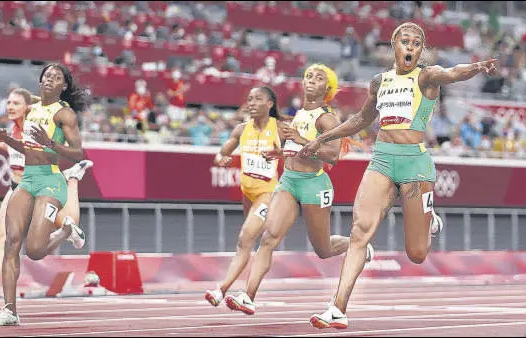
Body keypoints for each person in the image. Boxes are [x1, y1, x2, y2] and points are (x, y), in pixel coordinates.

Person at [300, 22, 498, 329]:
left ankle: (428, 217)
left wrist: (476, 67)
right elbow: (360, 120)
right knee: (359, 232)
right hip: (382, 160)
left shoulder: (426, 76)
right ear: (394, 45)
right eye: (405, 41)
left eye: (416, 43)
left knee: (417, 253)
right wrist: (322, 139)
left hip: (414, 166)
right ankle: (337, 307)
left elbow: (453, 72)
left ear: (420, 50)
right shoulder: (380, 82)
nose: (410, 46)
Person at [224, 64, 373, 315]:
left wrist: (301, 139)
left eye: (319, 78)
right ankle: (248, 296)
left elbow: (332, 156)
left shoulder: (327, 118)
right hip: (289, 181)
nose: (311, 80)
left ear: (328, 88)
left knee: (323, 250)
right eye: (308, 76)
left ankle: (357, 246)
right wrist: (281, 152)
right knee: (269, 237)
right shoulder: (300, 114)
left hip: (314, 185)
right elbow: (298, 150)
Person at [0, 63, 91, 326]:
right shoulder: (31, 111)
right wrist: (7, 140)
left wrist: (51, 143)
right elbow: (27, 148)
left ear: (63, 86)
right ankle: (10, 310)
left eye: (56, 78)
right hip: (28, 179)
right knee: (11, 241)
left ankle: (64, 231)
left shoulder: (64, 114)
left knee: (33, 250)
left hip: (51, 180)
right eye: (46, 76)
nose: (48, 80)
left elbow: (78, 153)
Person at [204, 86, 282, 307]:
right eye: (249, 99)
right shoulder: (241, 129)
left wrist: (280, 153)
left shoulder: (280, 129)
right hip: (247, 192)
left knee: (244, 238)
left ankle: (223, 290)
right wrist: (220, 158)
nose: (252, 103)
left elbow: (299, 151)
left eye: (258, 99)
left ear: (270, 104)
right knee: (246, 244)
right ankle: (232, 290)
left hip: (268, 193)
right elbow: (222, 152)